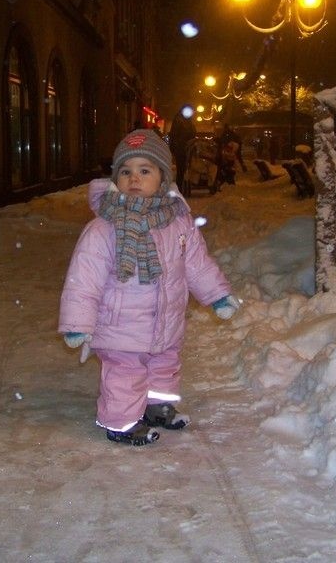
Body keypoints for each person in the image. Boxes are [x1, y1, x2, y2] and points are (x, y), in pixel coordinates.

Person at [59, 129, 239, 446]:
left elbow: (197, 264)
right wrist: (77, 323)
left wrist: (218, 295)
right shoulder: (103, 228)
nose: (134, 178)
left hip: (166, 323)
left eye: (145, 170)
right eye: (126, 171)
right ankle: (121, 421)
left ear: (163, 177)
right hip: (120, 327)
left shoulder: (178, 223)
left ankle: (157, 406)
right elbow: (83, 279)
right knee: (125, 375)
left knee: (165, 365)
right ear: (116, 178)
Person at [168, 110, 196, 191]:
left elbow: (193, 133)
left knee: (187, 167)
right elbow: (174, 135)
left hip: (188, 148)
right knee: (181, 168)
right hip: (180, 149)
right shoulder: (178, 121)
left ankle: (186, 183)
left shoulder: (190, 122)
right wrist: (175, 146)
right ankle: (179, 186)